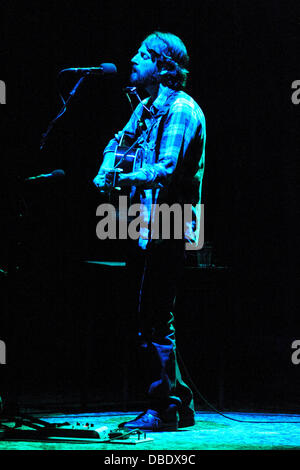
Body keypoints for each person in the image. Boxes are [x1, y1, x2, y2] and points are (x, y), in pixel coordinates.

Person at [93, 31, 206, 431]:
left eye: (142, 54)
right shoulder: (146, 107)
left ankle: (163, 407)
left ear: (162, 65)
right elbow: (117, 140)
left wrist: (121, 178)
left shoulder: (181, 110)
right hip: (147, 223)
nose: (133, 59)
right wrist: (108, 164)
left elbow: (166, 169)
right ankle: (181, 402)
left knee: (154, 317)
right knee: (153, 314)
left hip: (171, 222)